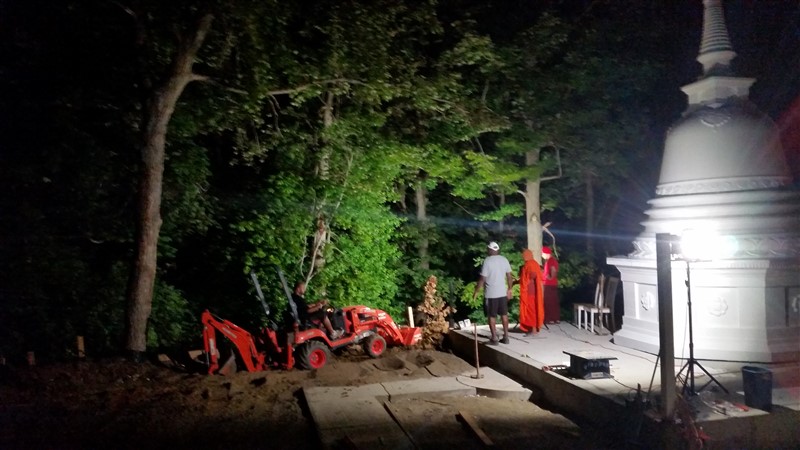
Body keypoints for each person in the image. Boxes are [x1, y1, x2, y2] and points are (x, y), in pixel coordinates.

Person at [472, 241, 513, 345]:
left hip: (491, 294)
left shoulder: (487, 261)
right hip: (502, 293)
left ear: (490, 250)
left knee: (491, 316)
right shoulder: (504, 259)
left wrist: (476, 291)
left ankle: (494, 338)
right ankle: (506, 337)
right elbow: (509, 276)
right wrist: (510, 289)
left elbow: (482, 279)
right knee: (504, 314)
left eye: (488, 249)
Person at [515, 248, 544, 335]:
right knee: (531, 310)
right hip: (532, 291)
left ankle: (533, 330)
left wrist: (527, 281)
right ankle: (531, 328)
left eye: (524, 255)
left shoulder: (530, 263)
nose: (523, 257)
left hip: (530, 292)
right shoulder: (533, 263)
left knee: (531, 310)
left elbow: (533, 274)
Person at [542, 246, 560, 324]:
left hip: (549, 284)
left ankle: (550, 319)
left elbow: (553, 269)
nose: (542, 255)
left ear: (546, 253)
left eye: (542, 253)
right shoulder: (551, 260)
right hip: (553, 284)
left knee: (548, 301)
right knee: (553, 301)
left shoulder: (550, 261)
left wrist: (550, 277)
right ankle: (556, 318)